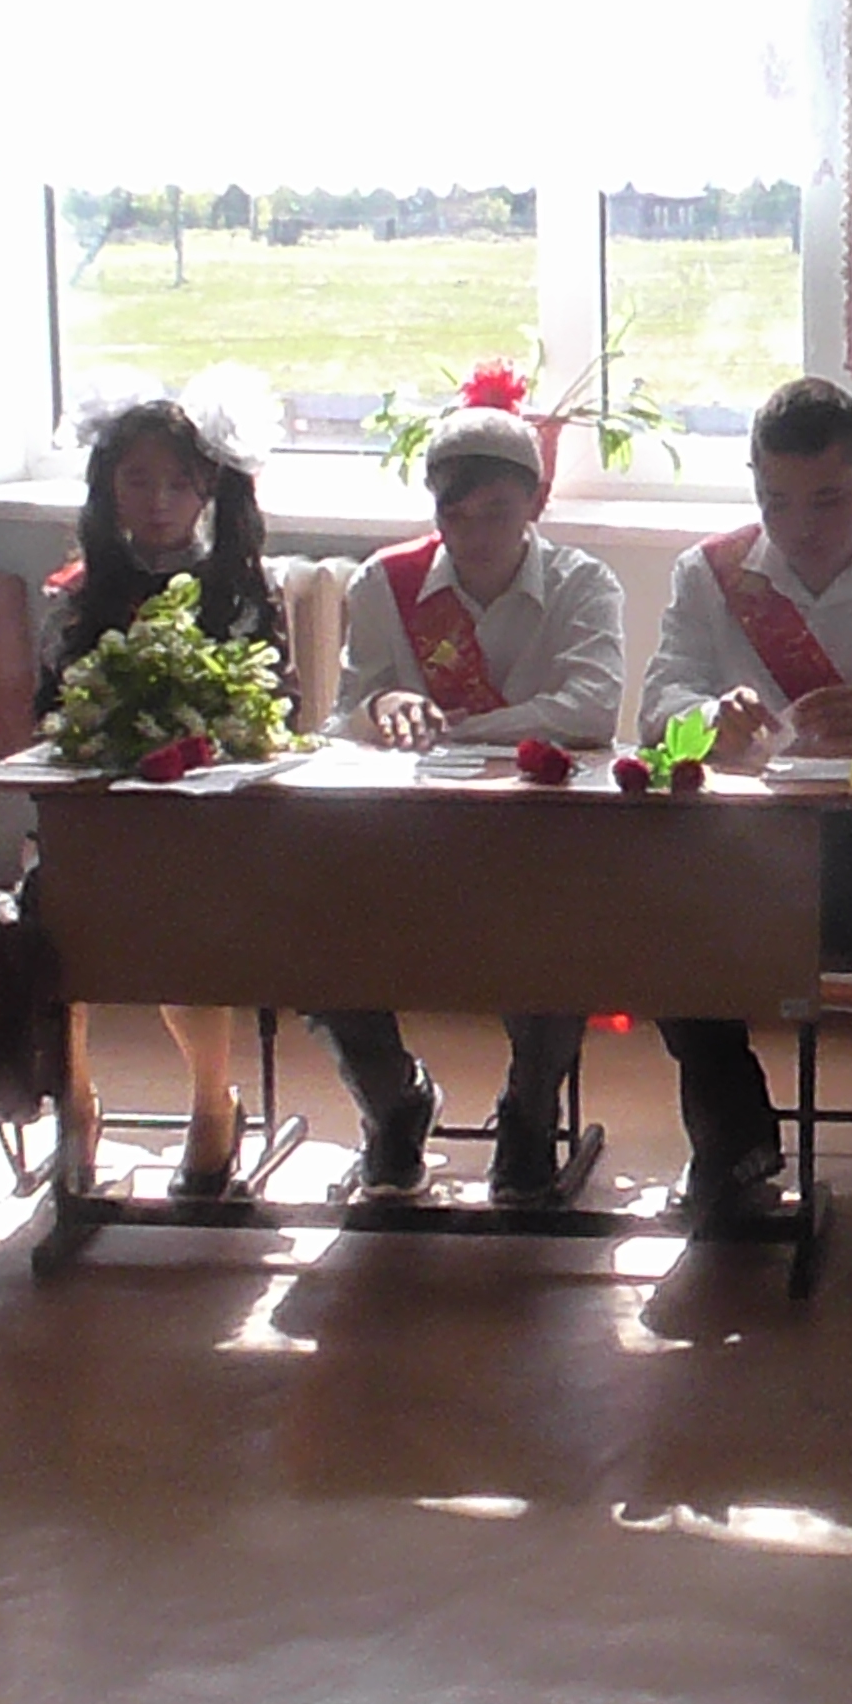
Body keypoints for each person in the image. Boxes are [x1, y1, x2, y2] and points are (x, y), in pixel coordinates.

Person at [634, 377, 852, 1281]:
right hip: (748, 854)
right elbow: (658, 708)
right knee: (662, 930)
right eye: (775, 501)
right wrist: (708, 721)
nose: (799, 527)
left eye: (827, 499)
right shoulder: (709, 575)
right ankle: (737, 1143)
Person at [319, 403, 627, 1201]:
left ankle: (530, 1109)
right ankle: (392, 1102)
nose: (474, 532)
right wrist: (382, 705)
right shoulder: (385, 583)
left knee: (559, 928)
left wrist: (461, 727)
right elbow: (342, 719)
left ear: (536, 502)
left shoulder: (583, 585)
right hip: (409, 833)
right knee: (311, 923)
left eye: (495, 511)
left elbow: (592, 710)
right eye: (453, 512)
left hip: (538, 837)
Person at [40, 374, 287, 1196]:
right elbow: (48, 713)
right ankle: (76, 1105)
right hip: (97, 820)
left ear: (207, 490)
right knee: (51, 930)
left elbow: (274, 714)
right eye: (138, 480)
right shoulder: (76, 594)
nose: (157, 502)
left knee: (189, 929)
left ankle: (213, 1103)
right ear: (108, 486)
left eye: (178, 484)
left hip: (209, 824)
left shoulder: (240, 588)